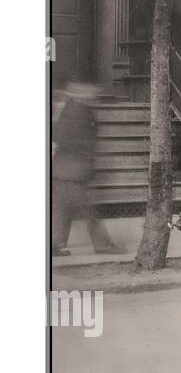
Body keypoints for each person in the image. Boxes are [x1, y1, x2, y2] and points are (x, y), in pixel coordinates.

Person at [52, 81, 123, 257]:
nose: (94, 96)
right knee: (87, 209)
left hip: (62, 169)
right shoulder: (80, 111)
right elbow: (80, 141)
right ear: (81, 94)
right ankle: (103, 245)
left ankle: (55, 245)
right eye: (90, 93)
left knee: (62, 209)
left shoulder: (66, 110)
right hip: (74, 169)